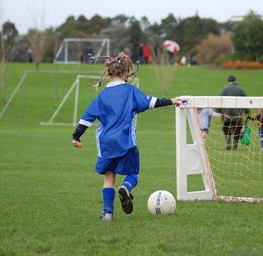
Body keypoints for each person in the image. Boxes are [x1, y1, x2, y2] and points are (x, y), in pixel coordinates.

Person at [71, 53, 181, 222]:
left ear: (109, 73)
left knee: (109, 176)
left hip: (106, 143)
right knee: (133, 173)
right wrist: (172, 101)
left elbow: (86, 118)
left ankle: (107, 214)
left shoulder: (101, 96)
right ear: (125, 73)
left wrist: (76, 137)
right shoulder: (131, 91)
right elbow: (151, 102)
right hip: (125, 141)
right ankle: (125, 187)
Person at [217, 75, 249, 150]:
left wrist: (218, 111)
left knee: (227, 128)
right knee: (237, 129)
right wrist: (247, 111)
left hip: (226, 114)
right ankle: (235, 145)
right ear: (235, 81)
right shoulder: (241, 90)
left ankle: (228, 143)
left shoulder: (224, 89)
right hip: (237, 114)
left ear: (228, 81)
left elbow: (218, 100)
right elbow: (245, 102)